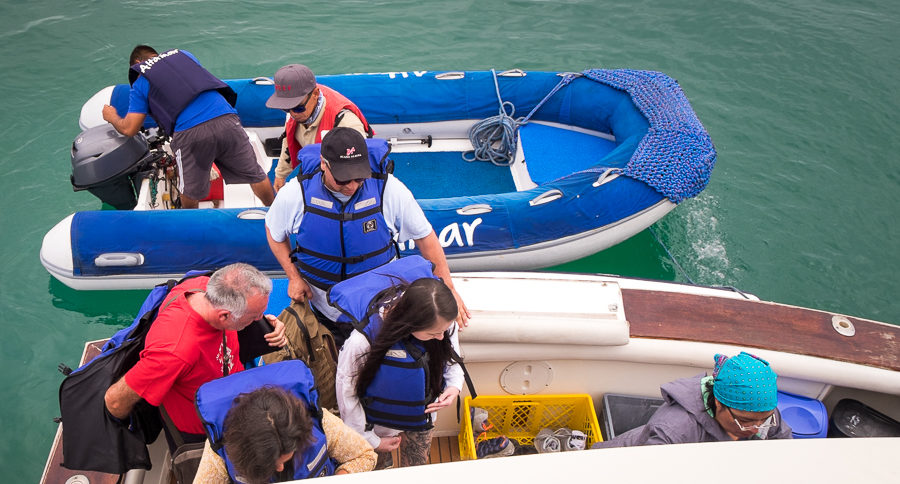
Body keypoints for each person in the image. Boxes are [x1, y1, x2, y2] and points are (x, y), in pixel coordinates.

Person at [265, 127, 470, 347]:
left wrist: (448, 287)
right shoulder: (295, 194)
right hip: (325, 307)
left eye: (359, 178)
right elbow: (273, 231)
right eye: (343, 180)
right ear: (324, 164)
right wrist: (294, 276)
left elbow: (425, 237)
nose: (352, 186)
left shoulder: (390, 190)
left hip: (382, 305)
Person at [104, 263, 287, 450]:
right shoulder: (174, 351)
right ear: (224, 316)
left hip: (231, 404)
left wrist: (267, 323)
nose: (259, 320)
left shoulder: (204, 286)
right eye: (255, 317)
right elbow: (115, 401)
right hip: (202, 434)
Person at [102, 45, 275, 208]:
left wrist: (112, 117)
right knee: (256, 175)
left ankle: (191, 230)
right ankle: (274, 212)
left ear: (138, 64)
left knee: (189, 192)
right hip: (227, 119)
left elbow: (129, 128)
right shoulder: (184, 55)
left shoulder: (141, 82)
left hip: (190, 133)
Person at [331, 256, 464, 469]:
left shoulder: (443, 323)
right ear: (410, 324)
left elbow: (453, 359)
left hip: (423, 417)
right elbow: (347, 391)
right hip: (378, 427)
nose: (441, 337)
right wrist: (371, 440)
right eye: (434, 333)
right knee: (380, 469)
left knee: (416, 468)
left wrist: (454, 386)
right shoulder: (362, 340)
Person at [193, 361, 376, 483]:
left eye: (285, 458)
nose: (280, 468)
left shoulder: (321, 422)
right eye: (273, 464)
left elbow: (365, 456)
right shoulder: (220, 450)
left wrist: (339, 478)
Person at [593, 351, 793, 448]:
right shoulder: (673, 430)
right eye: (745, 421)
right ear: (718, 403)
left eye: (765, 419)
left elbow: (782, 445)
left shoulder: (760, 414)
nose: (756, 428)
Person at [265, 64, 374, 193]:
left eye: (298, 107)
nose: (292, 113)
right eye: (286, 108)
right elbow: (289, 141)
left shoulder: (346, 122)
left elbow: (359, 170)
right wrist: (280, 175)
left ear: (315, 94)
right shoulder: (295, 111)